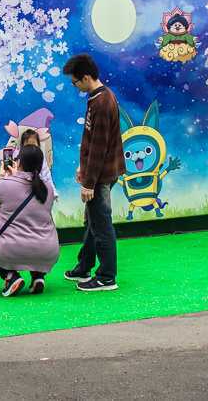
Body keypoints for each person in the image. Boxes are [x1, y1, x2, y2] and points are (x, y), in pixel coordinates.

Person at [61, 53, 127, 291]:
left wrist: (89, 183)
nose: (75, 86)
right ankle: (84, 266)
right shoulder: (99, 96)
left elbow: (99, 148)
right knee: (92, 221)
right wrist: (83, 166)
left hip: (101, 176)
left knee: (101, 224)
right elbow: (92, 141)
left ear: (86, 77)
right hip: (98, 171)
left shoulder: (101, 103)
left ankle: (107, 276)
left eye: (75, 82)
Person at [0, 144, 59, 296]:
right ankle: (38, 276)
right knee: (34, 243)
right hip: (46, 250)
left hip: (10, 250)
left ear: (18, 162)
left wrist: (3, 176)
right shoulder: (49, 188)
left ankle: (11, 277)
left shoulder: (5, 184)